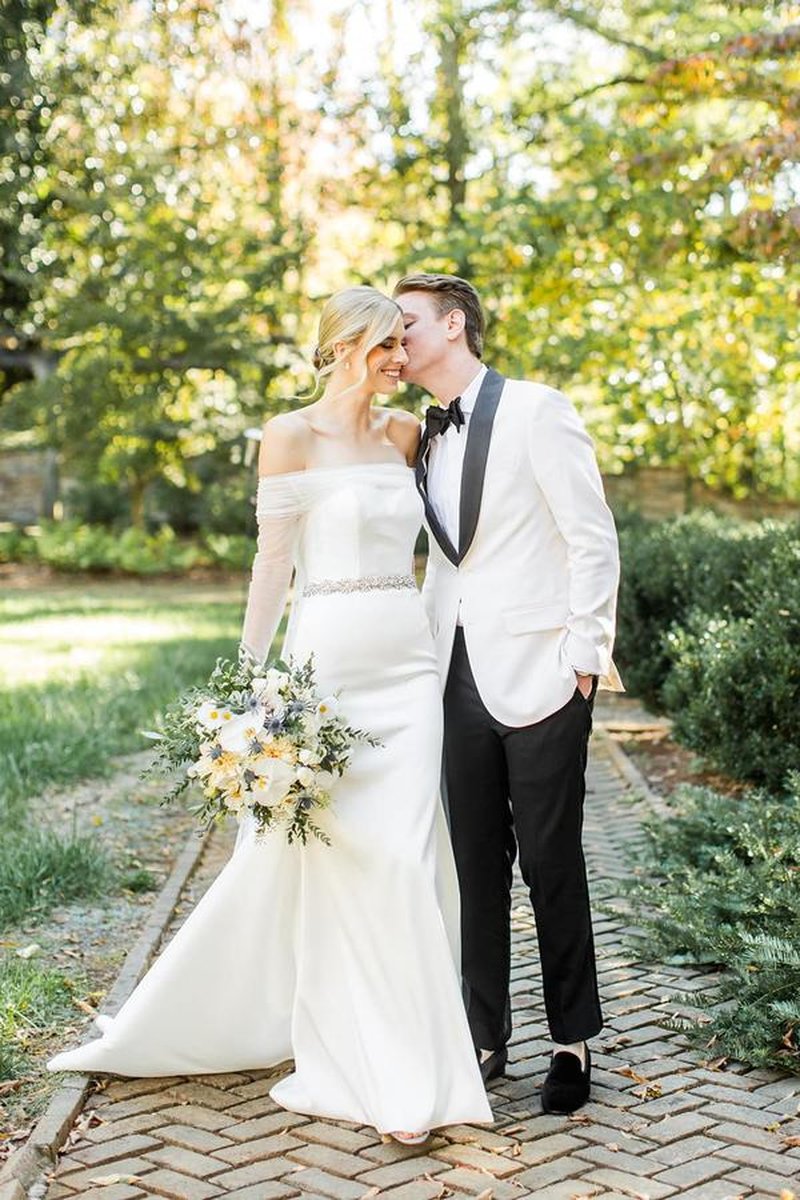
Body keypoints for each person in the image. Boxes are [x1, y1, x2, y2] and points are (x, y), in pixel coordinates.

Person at [49, 286, 492, 1143]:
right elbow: (271, 568)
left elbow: (451, 545)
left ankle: (412, 1062)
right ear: (341, 348)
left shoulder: (407, 435)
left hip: (408, 670)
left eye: (402, 344)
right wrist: (250, 683)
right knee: (341, 861)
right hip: (327, 670)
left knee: (403, 860)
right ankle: (352, 1051)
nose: (399, 359)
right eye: (384, 346)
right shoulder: (288, 437)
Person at [393, 272, 623, 1115]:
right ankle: (483, 1037)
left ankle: (572, 1041)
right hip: (451, 671)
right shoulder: (420, 435)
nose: (395, 338)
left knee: (551, 863)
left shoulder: (537, 410)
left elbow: (592, 538)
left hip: (544, 671)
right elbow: (446, 560)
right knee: (473, 865)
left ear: (454, 324)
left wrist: (584, 655)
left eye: (407, 322)